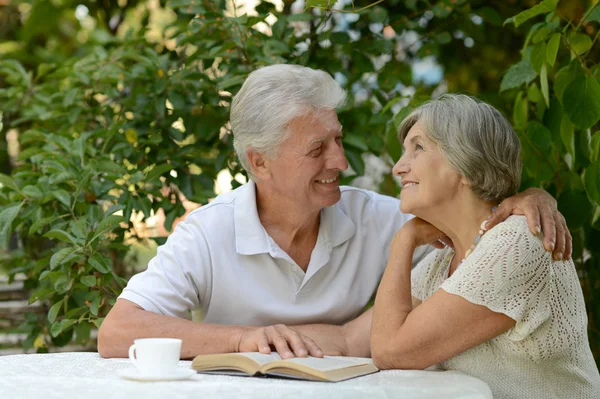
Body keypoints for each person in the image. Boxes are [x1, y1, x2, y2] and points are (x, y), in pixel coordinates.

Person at [98, 65, 570, 360]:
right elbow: (118, 333)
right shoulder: (208, 230)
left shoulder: (388, 221)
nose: (341, 163)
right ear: (259, 161)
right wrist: (245, 340)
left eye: (338, 140)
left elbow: (476, 217)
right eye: (317, 148)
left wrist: (531, 195)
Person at [370, 94, 600, 398]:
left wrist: (403, 241)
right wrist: (285, 335)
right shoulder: (443, 262)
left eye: (419, 147)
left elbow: (389, 350)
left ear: (467, 165)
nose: (398, 167)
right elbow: (356, 338)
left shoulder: (519, 240)